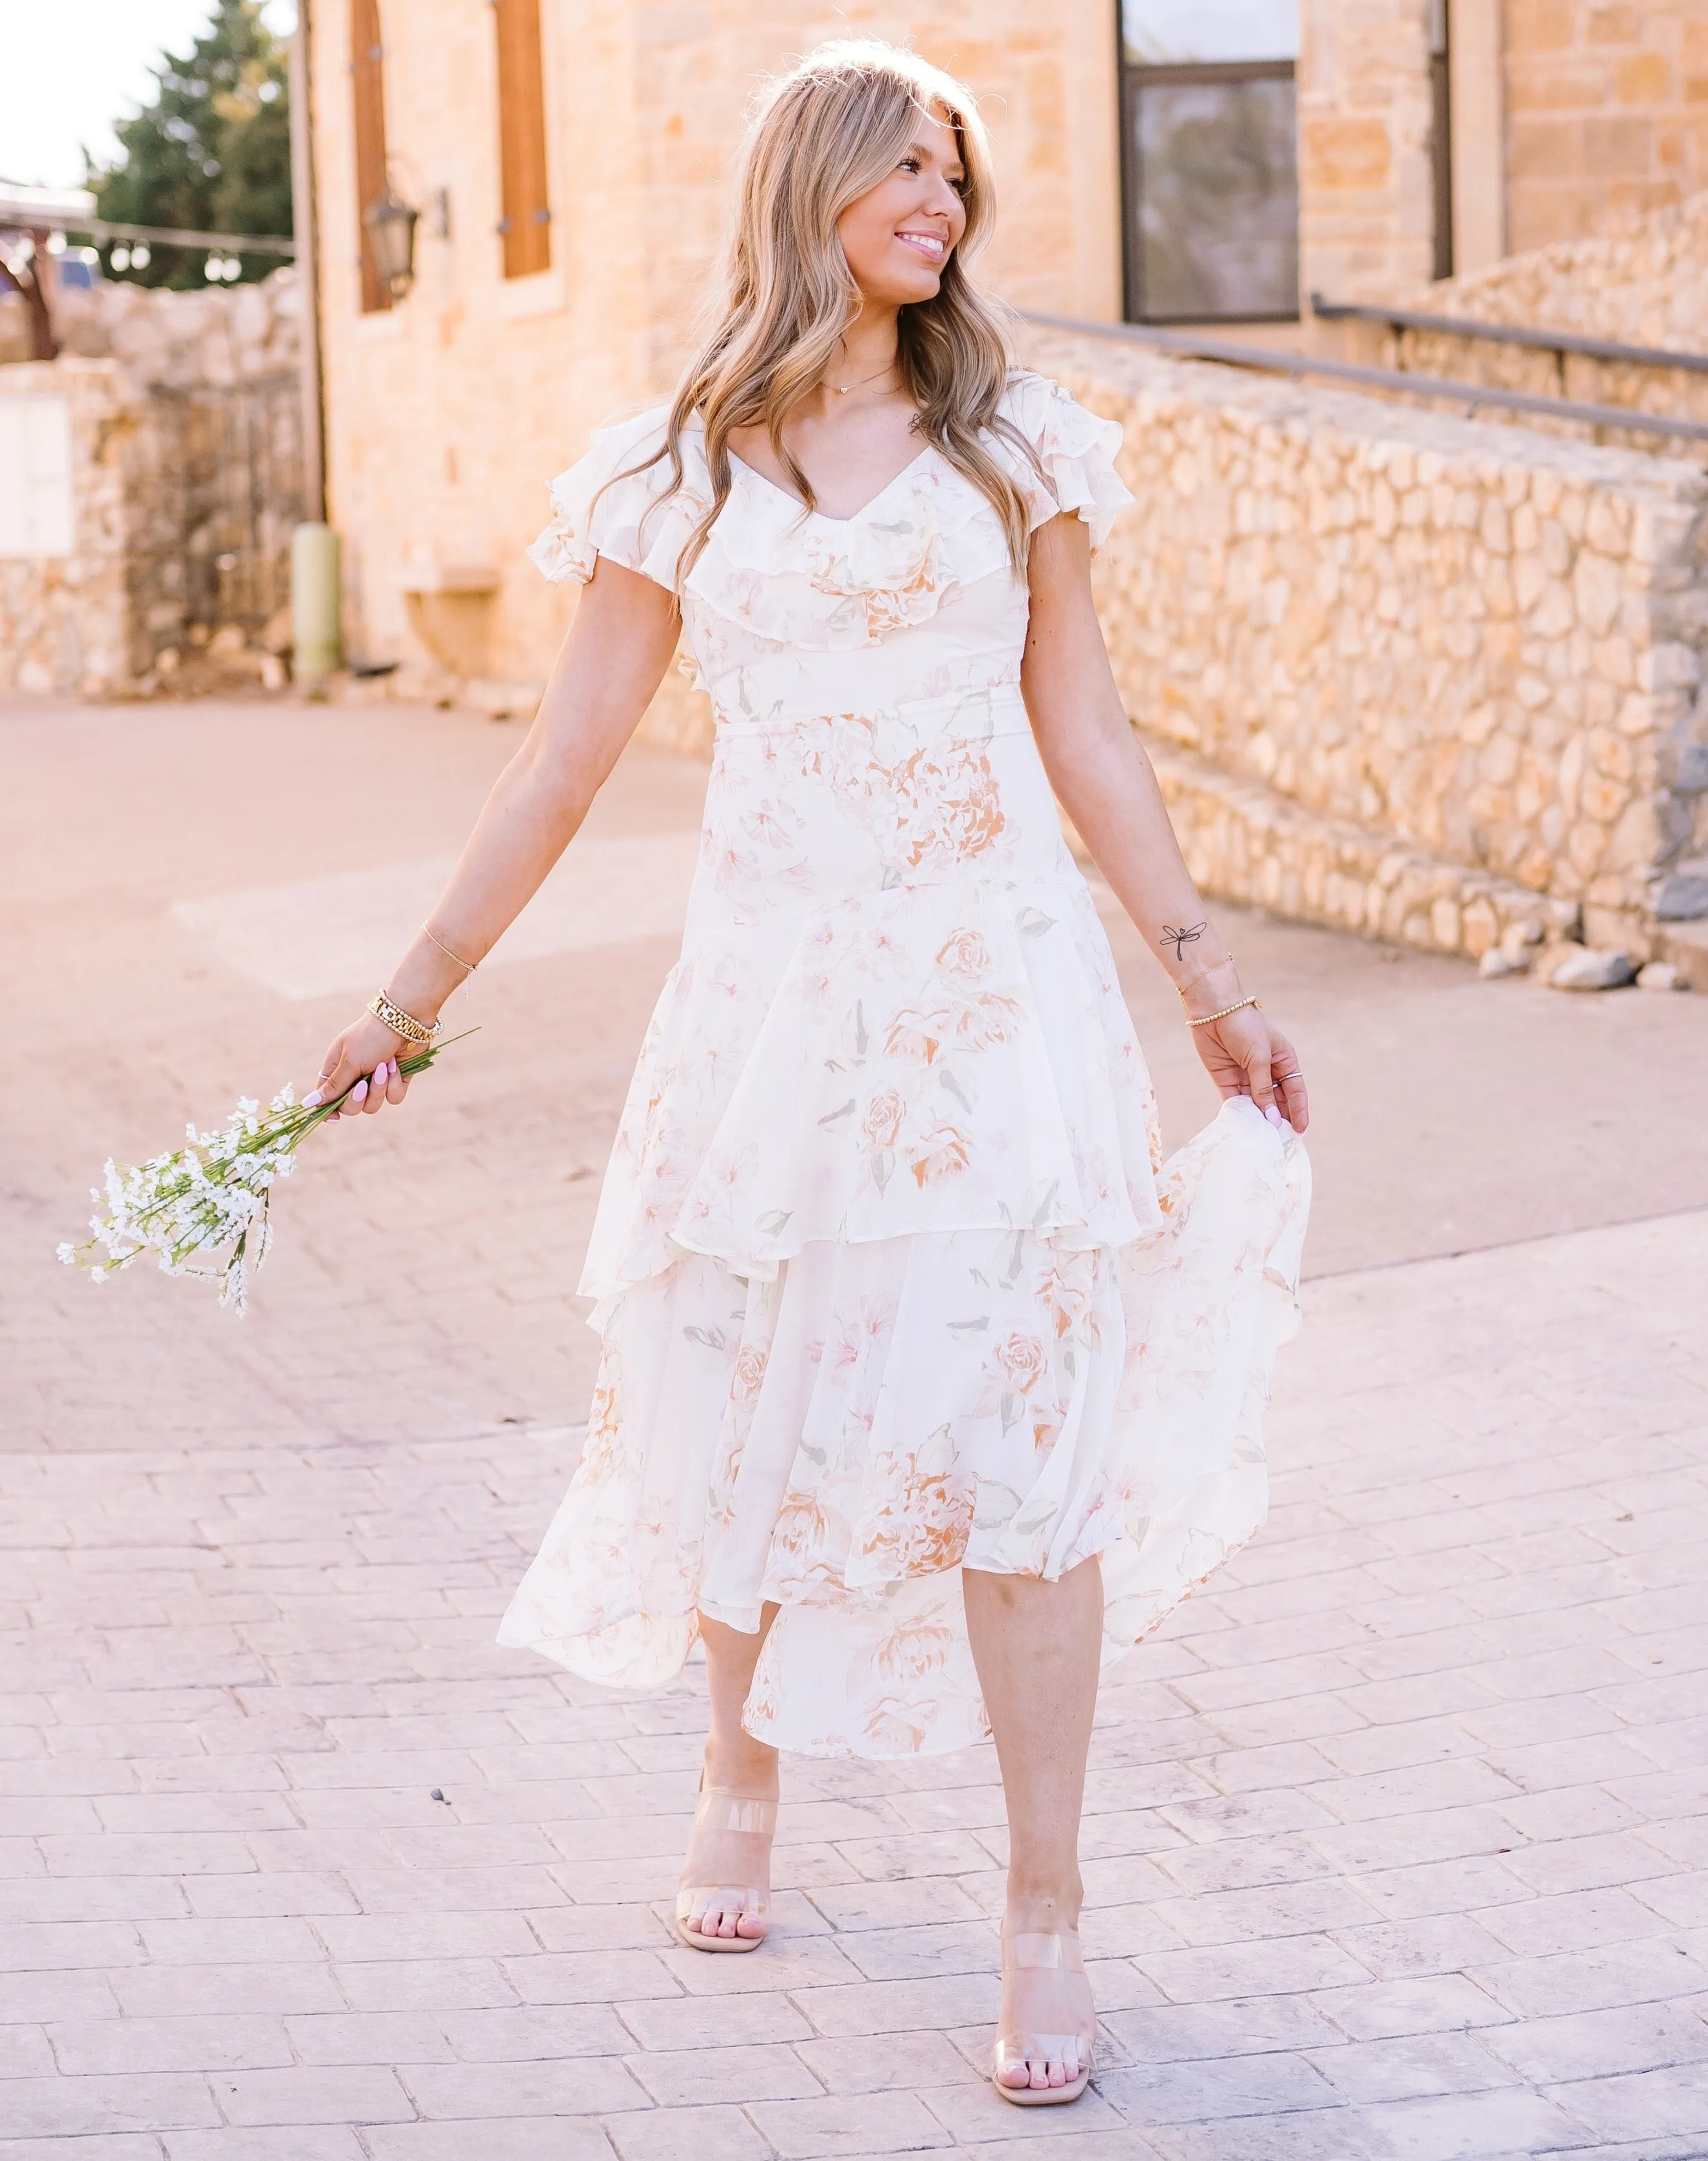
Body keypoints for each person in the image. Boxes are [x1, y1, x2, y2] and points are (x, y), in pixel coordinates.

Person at [307, 37, 1310, 2108]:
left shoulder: (1018, 447)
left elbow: (1090, 735)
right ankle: (735, 1772)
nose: (944, 209)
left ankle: (1047, 1910)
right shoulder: (677, 466)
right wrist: (404, 995)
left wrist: (1203, 979)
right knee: (750, 1401)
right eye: (910, 172)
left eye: (960, 181)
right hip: (771, 1020)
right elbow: (560, 760)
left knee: (1027, 1443)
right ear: (816, 184)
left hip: (997, 1014)